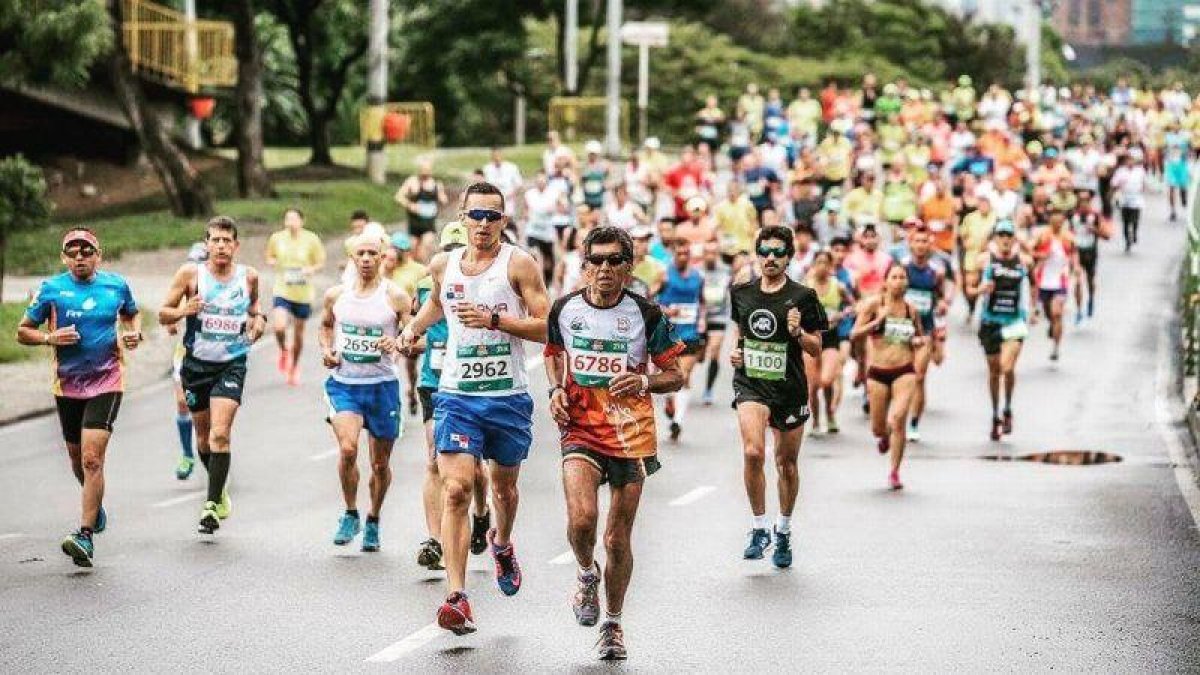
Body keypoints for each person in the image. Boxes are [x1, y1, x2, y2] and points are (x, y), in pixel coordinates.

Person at [399, 182, 550, 635]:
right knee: (457, 490)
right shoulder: (443, 265)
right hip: (457, 396)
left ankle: (502, 543)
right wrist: (411, 330)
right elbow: (433, 306)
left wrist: (496, 321)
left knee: (503, 491)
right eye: (476, 216)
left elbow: (547, 328)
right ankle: (457, 597)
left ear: (504, 221)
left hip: (507, 397)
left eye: (493, 217)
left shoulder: (519, 264)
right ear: (461, 218)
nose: (483, 225)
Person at [545, 226, 684, 660]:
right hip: (581, 429)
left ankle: (613, 624)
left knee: (617, 539)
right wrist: (554, 390)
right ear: (584, 265)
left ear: (628, 266)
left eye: (613, 261)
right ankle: (586, 575)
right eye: (596, 261)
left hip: (631, 435)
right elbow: (553, 355)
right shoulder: (565, 309)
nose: (604, 269)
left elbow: (676, 374)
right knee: (583, 520)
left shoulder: (646, 314)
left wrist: (643, 380)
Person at [17, 228, 143, 567]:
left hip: (107, 380)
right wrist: (49, 338)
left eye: (86, 251)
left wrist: (132, 333)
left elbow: (131, 313)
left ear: (98, 255)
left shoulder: (116, 285)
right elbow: (22, 331)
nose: (79, 257)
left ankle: (84, 535)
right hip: (68, 385)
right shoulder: (51, 290)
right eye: (72, 252)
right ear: (64, 257)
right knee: (77, 462)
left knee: (91, 459)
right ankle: (95, 503)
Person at [159, 216, 267, 536]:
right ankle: (220, 488)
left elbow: (256, 308)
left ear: (236, 245)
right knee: (204, 438)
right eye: (215, 240)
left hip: (231, 363)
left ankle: (210, 505)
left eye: (226, 241)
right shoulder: (191, 275)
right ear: (206, 244)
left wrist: (258, 322)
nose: (221, 246)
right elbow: (164, 311)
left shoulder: (249, 277)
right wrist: (183, 311)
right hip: (196, 365)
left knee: (221, 434)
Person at [729, 226, 827, 566]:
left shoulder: (803, 296)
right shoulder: (741, 293)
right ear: (757, 255)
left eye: (778, 252)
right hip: (751, 383)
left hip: (789, 387)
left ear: (788, 257)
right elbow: (741, 335)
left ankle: (783, 530)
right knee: (754, 452)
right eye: (765, 251)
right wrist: (736, 354)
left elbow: (816, 349)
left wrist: (799, 332)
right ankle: (759, 527)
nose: (771, 258)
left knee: (786, 462)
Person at [318, 232, 412, 551]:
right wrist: (327, 349)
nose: (367, 259)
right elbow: (326, 325)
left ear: (383, 256)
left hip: (382, 386)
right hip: (345, 384)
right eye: (361, 254)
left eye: (373, 253)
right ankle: (350, 512)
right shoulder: (336, 295)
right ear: (352, 258)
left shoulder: (396, 296)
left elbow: (411, 335)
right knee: (347, 449)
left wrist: (397, 343)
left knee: (380, 464)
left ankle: (373, 518)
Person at [412, 223, 493, 570]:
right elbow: (415, 327)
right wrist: (405, 339)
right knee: (434, 459)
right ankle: (436, 540)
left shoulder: (487, 285)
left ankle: (482, 511)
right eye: (447, 249)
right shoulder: (424, 285)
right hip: (436, 379)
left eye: (458, 249)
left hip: (472, 383)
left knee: (474, 468)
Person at [851, 264, 924, 490]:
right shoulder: (875, 305)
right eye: (894, 277)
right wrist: (876, 322)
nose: (899, 281)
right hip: (878, 373)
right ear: (886, 281)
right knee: (878, 428)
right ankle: (884, 436)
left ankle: (894, 471)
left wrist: (918, 342)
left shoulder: (911, 310)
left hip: (904, 370)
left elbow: (919, 337)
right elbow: (854, 333)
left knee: (899, 419)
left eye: (903, 277)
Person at [967, 220, 1033, 441]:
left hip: (1014, 322)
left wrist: (1033, 309)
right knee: (994, 372)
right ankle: (997, 413)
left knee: (1007, 367)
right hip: (990, 322)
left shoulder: (1023, 261)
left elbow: (1032, 279)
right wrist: (979, 289)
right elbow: (969, 288)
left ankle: (1008, 407)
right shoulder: (984, 261)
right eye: (1001, 235)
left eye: (1009, 235)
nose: (1005, 239)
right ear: (994, 238)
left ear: (1014, 238)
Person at [899, 225, 950, 443]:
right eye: (916, 241)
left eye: (924, 241)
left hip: (926, 330)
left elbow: (939, 299)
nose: (920, 245)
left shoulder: (935, 272)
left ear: (930, 244)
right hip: (901, 329)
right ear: (910, 244)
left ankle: (913, 423)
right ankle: (899, 415)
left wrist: (941, 308)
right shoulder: (902, 269)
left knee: (919, 376)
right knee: (901, 375)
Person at [264, 208, 325, 386]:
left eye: (294, 218)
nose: (290, 222)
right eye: (287, 218)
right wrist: (272, 262)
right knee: (279, 326)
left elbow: (320, 261)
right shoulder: (277, 238)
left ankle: (294, 367)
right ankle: (284, 350)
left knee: (298, 335)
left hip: (304, 293)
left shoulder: (311, 239)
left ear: (301, 221)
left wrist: (311, 269)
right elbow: (269, 256)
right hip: (282, 288)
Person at [165, 242, 209, 481]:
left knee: (209, 417)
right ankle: (187, 454)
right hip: (187, 351)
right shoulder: (188, 282)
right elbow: (170, 309)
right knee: (182, 403)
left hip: (216, 357)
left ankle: (216, 457)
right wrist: (174, 320)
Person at [657, 237, 706, 442]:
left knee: (684, 376)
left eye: (687, 253)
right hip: (668, 333)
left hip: (690, 334)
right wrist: (666, 310)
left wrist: (702, 319)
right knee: (671, 377)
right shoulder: (664, 275)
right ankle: (669, 399)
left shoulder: (698, 277)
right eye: (679, 253)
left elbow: (702, 302)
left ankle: (677, 421)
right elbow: (650, 301)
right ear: (673, 254)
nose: (683, 257)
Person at [805, 250, 854, 434]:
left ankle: (830, 413)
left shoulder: (838, 286)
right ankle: (817, 422)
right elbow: (793, 307)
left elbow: (852, 305)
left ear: (831, 266)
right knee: (813, 385)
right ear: (813, 265)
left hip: (830, 338)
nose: (822, 266)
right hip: (810, 338)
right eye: (818, 262)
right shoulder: (806, 287)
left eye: (826, 263)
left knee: (826, 380)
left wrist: (841, 315)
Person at [388, 232, 429, 415]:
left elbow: (426, 296)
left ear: (407, 251)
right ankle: (392, 402)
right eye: (394, 249)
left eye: (401, 250)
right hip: (390, 323)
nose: (397, 253)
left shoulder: (419, 270)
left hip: (411, 323)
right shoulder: (388, 268)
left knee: (411, 366)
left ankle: (411, 390)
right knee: (391, 361)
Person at [1032, 209, 1077, 362]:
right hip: (1044, 280)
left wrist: (1075, 267)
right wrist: (1041, 256)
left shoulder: (1068, 237)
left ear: (1063, 221)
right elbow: (1031, 251)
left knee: (1057, 312)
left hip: (1060, 279)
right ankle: (1052, 325)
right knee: (1049, 312)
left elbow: (1074, 253)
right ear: (1050, 221)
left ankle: (1056, 348)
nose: (1057, 223)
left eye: (1060, 221)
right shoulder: (1042, 235)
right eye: (1054, 220)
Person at [395, 160, 449, 261]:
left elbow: (443, 199)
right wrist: (410, 205)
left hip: (429, 223)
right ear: (419, 170)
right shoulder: (412, 182)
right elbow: (399, 196)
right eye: (423, 170)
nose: (425, 173)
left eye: (427, 170)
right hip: (414, 222)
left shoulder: (436, 184)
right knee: (412, 251)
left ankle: (422, 271)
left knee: (424, 249)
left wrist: (442, 200)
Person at [699, 243, 732, 405]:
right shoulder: (697, 272)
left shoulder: (726, 272)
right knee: (699, 356)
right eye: (708, 253)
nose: (710, 256)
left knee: (714, 352)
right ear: (703, 254)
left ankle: (708, 389)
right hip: (700, 319)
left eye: (713, 253)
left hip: (719, 318)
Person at [1070, 189, 1104, 322]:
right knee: (1078, 281)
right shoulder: (1073, 215)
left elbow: (1105, 234)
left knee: (1090, 279)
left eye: (1086, 201)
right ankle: (1078, 310)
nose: (1084, 204)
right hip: (1077, 251)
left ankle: (1091, 299)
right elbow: (1068, 232)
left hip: (1091, 251)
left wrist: (1094, 230)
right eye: (1081, 201)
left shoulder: (1095, 216)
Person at [1110, 154, 1146, 252]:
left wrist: (1142, 189)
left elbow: (1143, 183)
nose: (1130, 162)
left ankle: (1134, 233)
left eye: (1132, 160)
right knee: (1125, 222)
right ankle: (1127, 241)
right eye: (1128, 160)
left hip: (1136, 198)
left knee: (1135, 219)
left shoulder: (1140, 171)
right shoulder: (1120, 171)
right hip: (1124, 198)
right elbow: (1113, 184)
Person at [482, 147, 523, 218]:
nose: (496, 158)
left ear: (502, 155)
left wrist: (511, 195)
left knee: (508, 223)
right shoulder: (486, 168)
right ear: (491, 157)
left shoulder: (512, 167)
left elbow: (519, 185)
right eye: (494, 156)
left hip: (508, 202)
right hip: (492, 203)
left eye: (498, 155)